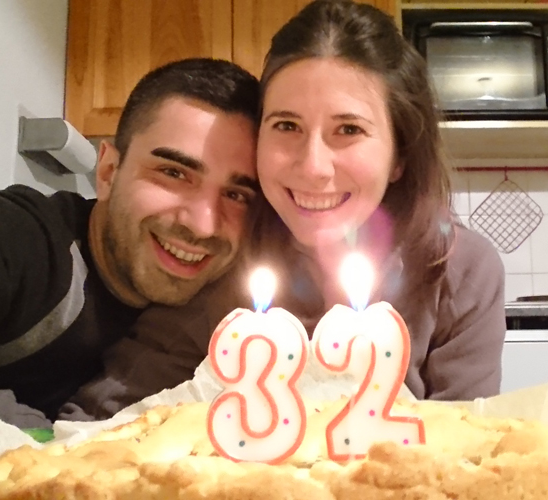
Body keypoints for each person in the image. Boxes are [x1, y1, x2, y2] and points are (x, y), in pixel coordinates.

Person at [63, 0, 506, 420]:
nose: (312, 167)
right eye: (287, 125)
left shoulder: (459, 272)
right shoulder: (229, 255)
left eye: (348, 129)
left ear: (399, 157)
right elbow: (98, 421)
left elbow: (468, 447)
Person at [0, 58, 260, 427]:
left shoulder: (232, 314)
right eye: (173, 173)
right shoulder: (13, 237)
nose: (204, 226)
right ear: (108, 172)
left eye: (236, 195)